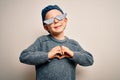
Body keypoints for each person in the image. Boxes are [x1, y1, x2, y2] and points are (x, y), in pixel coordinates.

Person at [19, 5, 94, 80]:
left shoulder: (73, 44)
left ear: (65, 21)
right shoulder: (42, 41)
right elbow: (24, 56)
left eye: (59, 17)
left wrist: (72, 54)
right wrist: (48, 55)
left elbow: (89, 60)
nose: (55, 21)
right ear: (46, 27)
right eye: (50, 20)